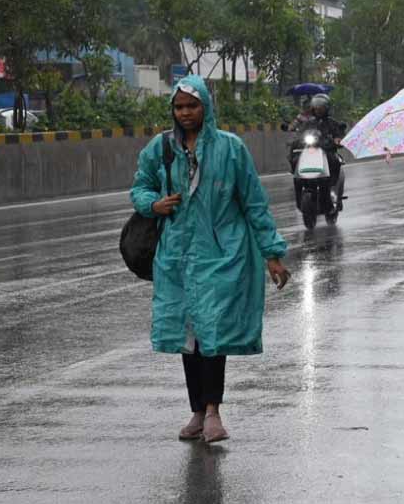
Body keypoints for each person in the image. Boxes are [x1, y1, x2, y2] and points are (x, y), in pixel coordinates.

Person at [130, 76, 292, 444]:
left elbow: (254, 202)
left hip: (223, 255)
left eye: (192, 105)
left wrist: (273, 254)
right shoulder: (161, 148)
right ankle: (197, 411)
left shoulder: (231, 149)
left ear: (206, 107)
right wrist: (152, 204)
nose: (185, 113)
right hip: (177, 257)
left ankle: (215, 410)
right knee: (189, 337)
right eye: (179, 107)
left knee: (212, 333)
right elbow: (140, 186)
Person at [289, 93, 346, 206]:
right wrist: (295, 141)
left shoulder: (332, 123)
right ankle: (300, 192)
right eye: (317, 107)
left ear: (327, 108)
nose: (319, 109)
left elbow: (339, 134)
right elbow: (300, 134)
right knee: (295, 159)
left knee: (334, 161)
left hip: (326, 151)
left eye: (321, 107)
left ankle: (332, 187)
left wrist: (337, 140)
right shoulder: (308, 122)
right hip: (310, 152)